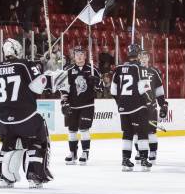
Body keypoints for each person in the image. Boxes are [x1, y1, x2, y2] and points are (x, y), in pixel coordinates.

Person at [0, 38, 54, 189]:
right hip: (26, 118)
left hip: (4, 120)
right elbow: (38, 88)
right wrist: (48, 76)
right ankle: (34, 177)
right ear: (16, 50)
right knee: (37, 143)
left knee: (8, 146)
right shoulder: (24, 64)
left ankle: (5, 177)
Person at [110, 44, 153, 172]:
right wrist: (149, 103)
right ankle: (144, 159)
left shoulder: (118, 68)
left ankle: (125, 160)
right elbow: (144, 89)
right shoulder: (140, 68)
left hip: (123, 107)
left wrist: (121, 102)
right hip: (138, 107)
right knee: (142, 133)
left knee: (127, 133)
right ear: (138, 55)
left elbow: (113, 90)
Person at [60, 46, 102, 166]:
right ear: (74, 56)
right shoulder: (68, 70)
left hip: (87, 104)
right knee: (72, 130)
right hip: (73, 105)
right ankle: (73, 153)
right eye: (77, 53)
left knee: (84, 128)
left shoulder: (93, 69)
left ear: (85, 56)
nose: (79, 56)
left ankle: (85, 152)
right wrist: (64, 102)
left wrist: (96, 83)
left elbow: (101, 88)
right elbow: (63, 88)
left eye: (81, 54)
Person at [135, 49, 168, 164]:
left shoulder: (154, 71)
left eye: (146, 57)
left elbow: (159, 90)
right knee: (137, 131)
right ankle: (139, 151)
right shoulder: (135, 71)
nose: (143, 59)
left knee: (151, 131)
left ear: (149, 58)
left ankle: (153, 151)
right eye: (141, 57)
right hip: (137, 106)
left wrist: (163, 104)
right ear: (138, 58)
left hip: (151, 106)